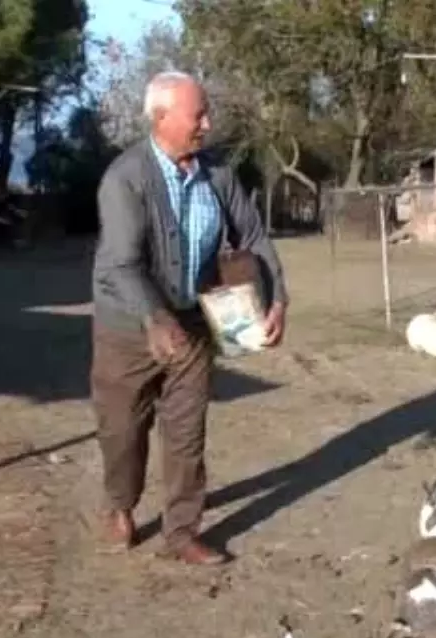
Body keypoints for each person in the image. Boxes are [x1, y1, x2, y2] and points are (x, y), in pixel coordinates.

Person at [90, 71, 289, 565]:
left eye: (206, 113)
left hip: (194, 322)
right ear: (161, 118)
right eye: (197, 114)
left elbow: (253, 237)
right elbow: (120, 263)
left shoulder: (217, 174)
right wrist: (154, 317)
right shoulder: (125, 178)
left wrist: (278, 297)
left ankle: (181, 531)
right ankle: (121, 505)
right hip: (128, 327)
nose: (207, 122)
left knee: (187, 432)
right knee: (122, 431)